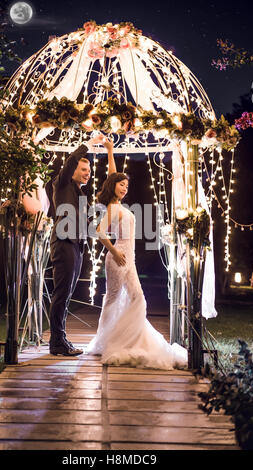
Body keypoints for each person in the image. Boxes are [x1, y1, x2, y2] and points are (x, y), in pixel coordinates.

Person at [86, 138, 188, 369]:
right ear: (113, 186)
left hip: (128, 259)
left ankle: (129, 337)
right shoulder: (112, 208)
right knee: (113, 299)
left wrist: (110, 151)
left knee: (136, 298)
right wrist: (114, 251)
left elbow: (113, 174)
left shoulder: (117, 204)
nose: (124, 187)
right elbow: (99, 232)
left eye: (126, 185)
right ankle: (106, 340)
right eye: (121, 185)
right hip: (118, 258)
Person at [49, 134, 105, 356]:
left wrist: (100, 210)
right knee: (61, 293)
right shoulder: (61, 183)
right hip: (63, 243)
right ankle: (57, 343)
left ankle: (60, 339)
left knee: (67, 294)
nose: (87, 173)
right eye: (83, 169)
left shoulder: (80, 193)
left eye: (89, 170)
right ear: (71, 170)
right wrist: (88, 145)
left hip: (76, 245)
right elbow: (71, 159)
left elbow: (87, 224)